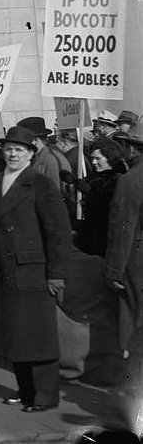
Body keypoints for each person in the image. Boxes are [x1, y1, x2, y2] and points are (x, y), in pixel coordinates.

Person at [0, 125, 71, 413]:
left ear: (31, 154)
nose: (13, 154)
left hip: (32, 270)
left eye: (19, 150)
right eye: (9, 149)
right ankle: (24, 392)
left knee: (38, 337)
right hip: (6, 270)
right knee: (17, 336)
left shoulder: (41, 183)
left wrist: (56, 274)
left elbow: (58, 231)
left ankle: (44, 397)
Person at [105, 127, 143, 405]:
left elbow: (122, 229)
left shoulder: (131, 180)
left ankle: (133, 391)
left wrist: (114, 270)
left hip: (136, 258)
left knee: (132, 322)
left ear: (132, 148)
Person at [75, 138, 125, 257]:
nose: (93, 162)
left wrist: (89, 192)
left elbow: (106, 205)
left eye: (98, 158)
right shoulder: (95, 176)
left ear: (110, 158)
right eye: (92, 158)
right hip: (90, 235)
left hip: (104, 237)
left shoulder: (119, 179)